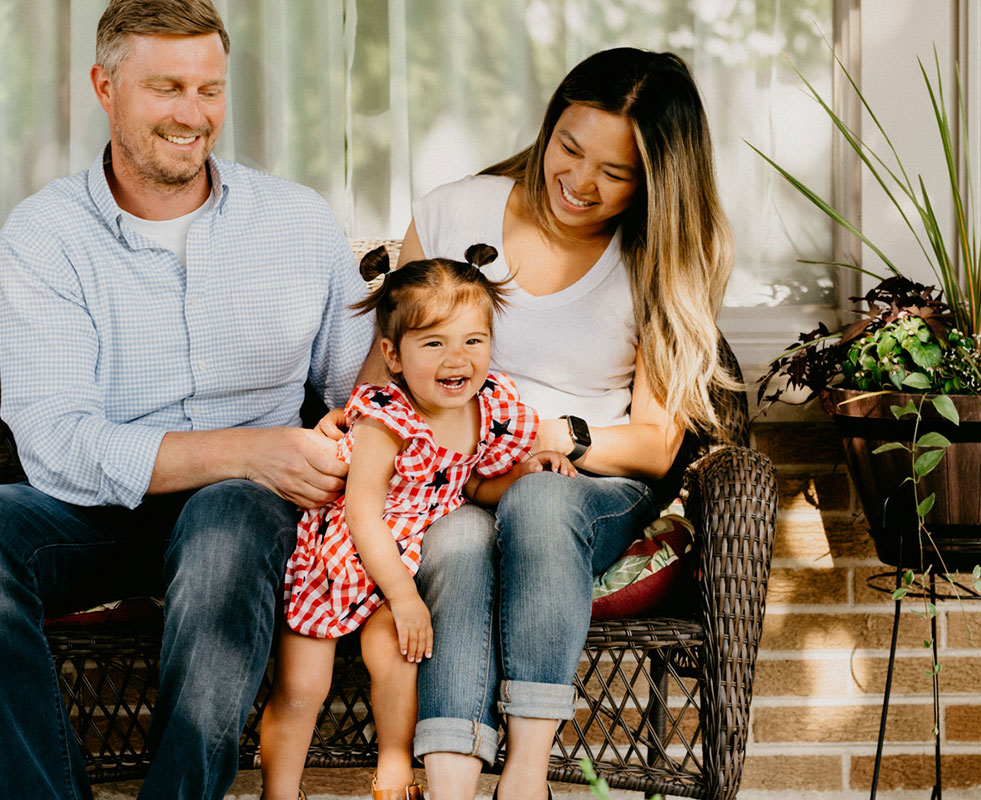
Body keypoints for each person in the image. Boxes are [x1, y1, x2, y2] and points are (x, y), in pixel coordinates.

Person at [0, 1, 373, 798]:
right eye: (166, 87)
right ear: (104, 86)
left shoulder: (298, 220)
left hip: (255, 512)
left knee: (227, 516)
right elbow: (57, 442)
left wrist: (352, 439)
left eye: (210, 89)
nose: (193, 115)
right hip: (102, 508)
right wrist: (248, 448)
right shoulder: (46, 235)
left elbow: (362, 393)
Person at [369, 47, 737, 800]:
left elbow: (656, 444)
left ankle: (526, 778)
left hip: (587, 483)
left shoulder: (658, 256)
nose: (579, 181)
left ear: (655, 182)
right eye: (569, 148)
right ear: (549, 126)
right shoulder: (454, 210)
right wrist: (456, 458)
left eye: (616, 172)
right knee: (458, 536)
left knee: (538, 500)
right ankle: (451, 781)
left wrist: (552, 438)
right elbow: (380, 388)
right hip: (452, 478)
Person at [259, 244, 574, 800]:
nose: (458, 359)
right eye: (434, 343)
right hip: (342, 560)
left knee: (400, 658)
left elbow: (474, 485)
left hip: (402, 567)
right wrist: (404, 595)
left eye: (473, 341)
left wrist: (524, 472)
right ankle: (280, 791)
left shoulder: (488, 409)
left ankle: (394, 766)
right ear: (394, 354)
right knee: (304, 685)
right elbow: (361, 513)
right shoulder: (386, 420)